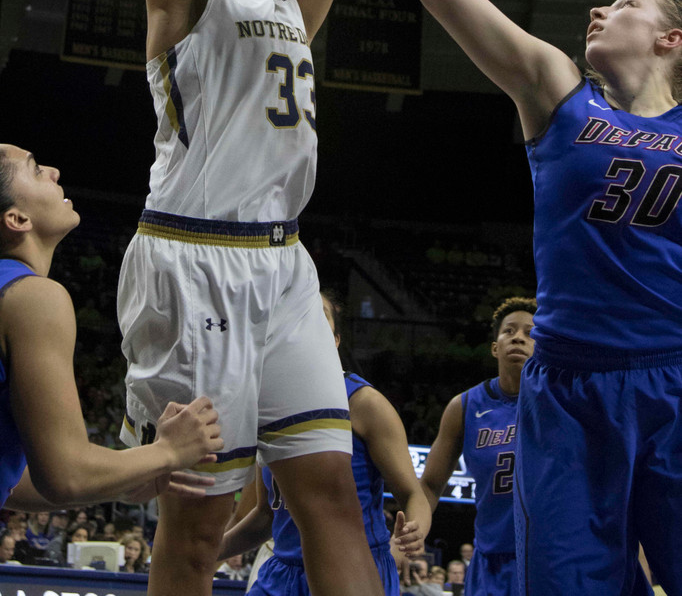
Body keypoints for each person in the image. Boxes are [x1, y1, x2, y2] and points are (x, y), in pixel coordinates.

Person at [298, 0, 682, 595]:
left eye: (623, 4)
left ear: (671, 37)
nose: (595, 12)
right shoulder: (556, 90)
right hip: (572, 391)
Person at [116, 0, 386, 596]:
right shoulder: (182, 6)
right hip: (192, 264)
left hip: (286, 271)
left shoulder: (292, 12)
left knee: (330, 498)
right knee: (197, 530)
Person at [0, 144, 224, 514]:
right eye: (36, 169)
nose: (54, 171)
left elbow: (14, 481)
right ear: (17, 219)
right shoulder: (32, 298)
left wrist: (118, 481)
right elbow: (65, 476)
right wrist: (167, 451)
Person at [217, 291, 431, 596]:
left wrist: (416, 528)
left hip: (356, 567)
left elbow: (413, 494)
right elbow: (266, 516)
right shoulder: (265, 404)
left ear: (335, 340)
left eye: (318, 315)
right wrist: (205, 551)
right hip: (283, 571)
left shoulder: (365, 404)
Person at [421, 298, 537, 596]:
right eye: (509, 331)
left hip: (548, 559)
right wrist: (412, 530)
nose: (519, 337)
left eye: (530, 332)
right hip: (491, 563)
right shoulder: (465, 406)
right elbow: (431, 484)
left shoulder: (563, 402)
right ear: (495, 347)